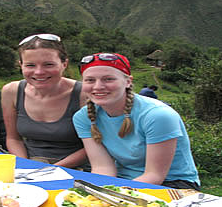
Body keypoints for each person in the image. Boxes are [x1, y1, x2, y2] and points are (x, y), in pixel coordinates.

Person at [73, 52, 199, 188]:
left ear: (128, 82)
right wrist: (98, 192)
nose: (98, 86)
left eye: (108, 79)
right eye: (90, 80)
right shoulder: (83, 118)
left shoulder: (158, 116)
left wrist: (116, 196)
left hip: (171, 183)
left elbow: (154, 175)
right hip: (123, 181)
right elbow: (103, 168)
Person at [1, 34, 88, 169]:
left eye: (48, 64)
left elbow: (96, 145)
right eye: (30, 65)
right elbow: (13, 139)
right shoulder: (11, 92)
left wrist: (50, 170)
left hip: (76, 168)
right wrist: (26, 166)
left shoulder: (84, 94)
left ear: (64, 64)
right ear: (21, 65)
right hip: (29, 165)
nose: (39, 72)